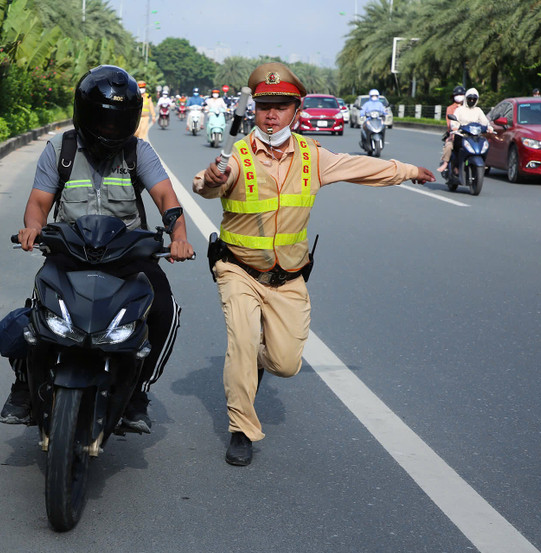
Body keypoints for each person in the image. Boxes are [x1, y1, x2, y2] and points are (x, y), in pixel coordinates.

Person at [193, 62, 434, 466]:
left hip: (287, 276)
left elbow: (360, 166)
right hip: (237, 268)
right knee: (242, 341)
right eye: (265, 105)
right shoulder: (237, 156)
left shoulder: (312, 156)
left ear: (296, 110)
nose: (272, 114)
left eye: (281, 106)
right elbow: (207, 184)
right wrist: (212, 178)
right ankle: (241, 429)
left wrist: (407, 171)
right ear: (254, 109)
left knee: (285, 364)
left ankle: (254, 362)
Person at [0, 65, 194, 433]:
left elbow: (166, 198)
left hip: (127, 255)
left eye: (119, 123)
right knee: (36, 312)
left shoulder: (139, 152)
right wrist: (33, 229)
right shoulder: (61, 149)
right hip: (69, 250)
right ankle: (24, 388)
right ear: (86, 115)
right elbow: (39, 202)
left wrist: (179, 234)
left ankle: (138, 393)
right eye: (104, 122)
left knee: (164, 309)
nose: (111, 131)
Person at [437, 87, 493, 172]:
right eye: (470, 98)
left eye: (474, 99)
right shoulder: (459, 110)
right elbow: (452, 122)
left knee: (485, 144)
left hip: (474, 136)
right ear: (466, 98)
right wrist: (454, 127)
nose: (471, 101)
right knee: (451, 146)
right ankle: (449, 164)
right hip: (460, 135)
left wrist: (489, 127)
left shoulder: (478, 110)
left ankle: (484, 162)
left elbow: (484, 122)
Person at [437, 85, 466, 172]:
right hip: (454, 133)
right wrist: (452, 133)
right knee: (449, 146)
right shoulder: (450, 108)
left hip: (467, 134)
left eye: (462, 94)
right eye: (458, 94)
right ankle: (445, 163)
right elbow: (450, 123)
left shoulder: (468, 108)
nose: (460, 96)